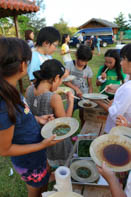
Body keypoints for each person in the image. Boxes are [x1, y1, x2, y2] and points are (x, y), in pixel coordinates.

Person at [0, 37, 62, 197]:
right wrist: (42, 145)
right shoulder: (3, 105)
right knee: (35, 192)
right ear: (22, 65)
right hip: (28, 160)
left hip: (35, 153)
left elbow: (21, 115)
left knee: (42, 185)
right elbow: (4, 149)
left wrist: (38, 119)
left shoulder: (10, 89)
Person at [26, 59, 74, 167]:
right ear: (56, 77)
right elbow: (65, 122)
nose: (61, 82)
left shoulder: (29, 89)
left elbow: (28, 111)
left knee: (44, 159)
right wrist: (70, 102)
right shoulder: (54, 97)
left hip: (37, 137)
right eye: (61, 79)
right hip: (53, 139)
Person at [94, 44, 131, 134]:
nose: (121, 63)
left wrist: (97, 101)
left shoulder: (127, 88)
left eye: (123, 59)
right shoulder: (127, 79)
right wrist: (117, 89)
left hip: (120, 129)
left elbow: (115, 113)